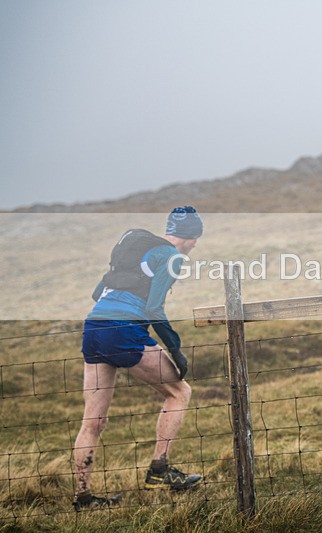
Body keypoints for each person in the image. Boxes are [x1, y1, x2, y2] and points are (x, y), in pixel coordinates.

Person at [72, 206, 204, 510]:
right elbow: (154, 309)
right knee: (179, 391)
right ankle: (160, 469)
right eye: (195, 237)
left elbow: (97, 293)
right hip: (123, 330)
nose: (195, 244)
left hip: (94, 328)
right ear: (190, 237)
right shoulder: (171, 258)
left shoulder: (133, 253)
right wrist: (176, 349)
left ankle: (83, 497)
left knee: (93, 420)